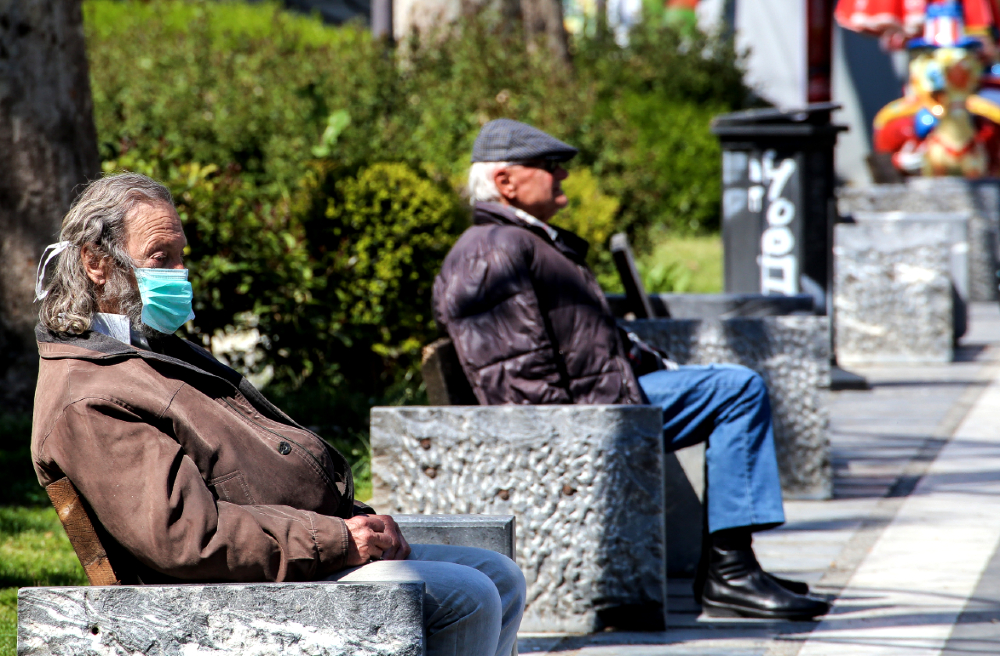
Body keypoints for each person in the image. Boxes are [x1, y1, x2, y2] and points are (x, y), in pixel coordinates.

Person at [30, 172, 525, 656]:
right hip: (228, 594)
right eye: (161, 258)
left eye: (182, 258)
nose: (178, 274)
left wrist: (355, 525)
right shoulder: (89, 395)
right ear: (96, 262)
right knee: (470, 596)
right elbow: (185, 538)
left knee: (499, 576)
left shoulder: (142, 351)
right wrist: (335, 539)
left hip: (287, 556)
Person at [432, 118, 830, 621]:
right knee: (737, 390)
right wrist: (575, 441)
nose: (563, 177)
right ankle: (730, 574)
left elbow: (584, 339)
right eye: (549, 167)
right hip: (592, 416)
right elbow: (516, 376)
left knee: (730, 385)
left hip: (611, 394)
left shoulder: (526, 242)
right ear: (506, 182)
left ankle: (733, 567)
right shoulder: (493, 250)